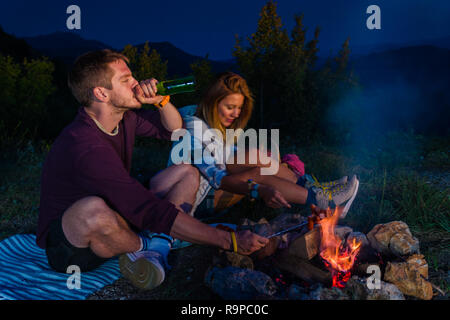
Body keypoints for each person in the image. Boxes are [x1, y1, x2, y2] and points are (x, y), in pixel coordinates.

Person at [36, 50, 268, 291]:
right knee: (92, 209)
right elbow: (144, 207)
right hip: (72, 245)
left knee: (187, 171)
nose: (137, 83)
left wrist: (161, 101)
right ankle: (147, 246)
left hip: (118, 208)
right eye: (126, 80)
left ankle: (157, 247)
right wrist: (228, 241)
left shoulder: (125, 119)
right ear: (101, 93)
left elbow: (175, 130)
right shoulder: (83, 144)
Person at [165, 72, 359, 219]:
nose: (236, 114)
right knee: (258, 170)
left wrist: (262, 161)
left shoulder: (208, 120)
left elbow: (223, 156)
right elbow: (216, 176)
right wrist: (255, 179)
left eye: (239, 108)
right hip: (197, 201)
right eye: (230, 107)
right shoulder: (192, 125)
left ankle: (317, 192)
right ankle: (320, 199)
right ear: (212, 102)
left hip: (215, 186)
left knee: (257, 158)